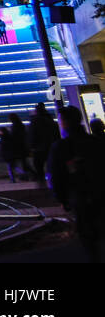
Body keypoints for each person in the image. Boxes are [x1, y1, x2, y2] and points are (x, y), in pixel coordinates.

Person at [47, 105, 105, 261]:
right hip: (100, 193)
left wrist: (62, 199)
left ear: (64, 122)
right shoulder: (96, 142)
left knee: (88, 237)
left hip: (79, 197)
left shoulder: (61, 147)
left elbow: (56, 176)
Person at [30, 102, 59, 186]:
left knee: (39, 166)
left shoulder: (35, 121)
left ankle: (42, 183)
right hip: (50, 146)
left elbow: (32, 134)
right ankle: (53, 181)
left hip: (39, 148)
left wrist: (31, 146)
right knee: (51, 165)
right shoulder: (49, 118)